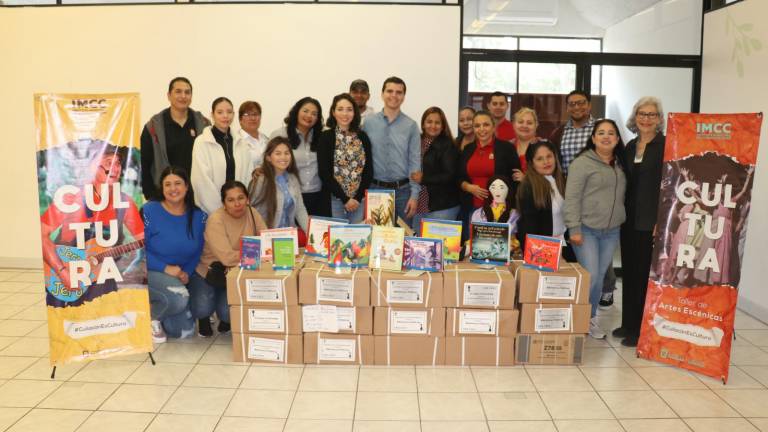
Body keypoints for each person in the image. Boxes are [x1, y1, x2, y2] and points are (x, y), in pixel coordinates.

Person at [40, 145, 144, 308]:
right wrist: (63, 272)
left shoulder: (125, 203)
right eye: (109, 161)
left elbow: (144, 240)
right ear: (92, 165)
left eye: (118, 162)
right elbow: (41, 235)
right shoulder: (71, 198)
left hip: (101, 275)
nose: (115, 168)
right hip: (63, 274)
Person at [564, 119, 626, 339]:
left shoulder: (621, 163)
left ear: (618, 139)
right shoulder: (581, 163)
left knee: (600, 277)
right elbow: (571, 198)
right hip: (586, 229)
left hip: (611, 231)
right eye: (601, 133)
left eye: (611, 133)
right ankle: (575, 319)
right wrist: (574, 228)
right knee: (589, 276)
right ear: (593, 138)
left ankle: (588, 320)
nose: (606, 137)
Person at [612, 97, 666, 347]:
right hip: (628, 218)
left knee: (643, 274)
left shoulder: (665, 145)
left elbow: (671, 186)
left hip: (650, 219)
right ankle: (628, 323)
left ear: (659, 118)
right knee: (630, 272)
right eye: (642, 114)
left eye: (652, 114)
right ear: (635, 117)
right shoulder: (630, 146)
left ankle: (641, 329)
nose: (646, 118)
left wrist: (662, 219)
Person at [192, 181, 267, 337]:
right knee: (202, 308)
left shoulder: (253, 213)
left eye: (241, 198)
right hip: (210, 270)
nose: (237, 204)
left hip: (237, 271)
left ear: (247, 199)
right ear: (224, 203)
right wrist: (255, 252)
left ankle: (224, 317)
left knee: (227, 314)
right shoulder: (216, 219)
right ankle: (204, 318)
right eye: (231, 200)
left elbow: (266, 241)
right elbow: (226, 257)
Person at [142, 166, 204, 343]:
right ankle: (148, 318)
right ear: (162, 188)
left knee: (183, 332)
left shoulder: (198, 216)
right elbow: (138, 250)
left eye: (178, 183)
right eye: (167, 184)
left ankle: (160, 304)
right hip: (149, 270)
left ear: (186, 187)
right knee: (178, 299)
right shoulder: (149, 211)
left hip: (177, 275)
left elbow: (198, 249)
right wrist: (165, 268)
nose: (173, 189)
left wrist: (186, 273)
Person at [363, 76, 421, 225]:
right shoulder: (368, 123)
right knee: (376, 239)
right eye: (389, 91)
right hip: (375, 190)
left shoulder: (411, 126)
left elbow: (415, 162)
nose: (394, 95)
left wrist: (414, 196)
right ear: (382, 94)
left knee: (403, 238)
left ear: (403, 97)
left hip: (403, 192)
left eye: (399, 92)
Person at [140, 77, 210, 200]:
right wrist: (151, 195)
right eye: (178, 91)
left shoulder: (203, 124)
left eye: (187, 92)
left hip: (197, 195)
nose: (183, 96)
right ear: (169, 95)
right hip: (166, 195)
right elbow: (145, 164)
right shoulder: (153, 127)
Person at [191, 97, 252, 216]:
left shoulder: (241, 142)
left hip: (239, 210)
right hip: (211, 212)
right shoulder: (201, 142)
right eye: (220, 112)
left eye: (229, 112)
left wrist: (239, 204)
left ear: (233, 115)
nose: (225, 116)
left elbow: (247, 177)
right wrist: (220, 210)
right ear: (212, 115)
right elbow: (201, 181)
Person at [317, 93, 373, 223]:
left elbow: (368, 171)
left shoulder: (362, 137)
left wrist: (357, 199)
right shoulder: (326, 137)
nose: (345, 114)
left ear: (354, 112)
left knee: (357, 241)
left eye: (349, 109)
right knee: (337, 240)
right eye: (340, 109)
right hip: (335, 199)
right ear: (333, 112)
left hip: (358, 202)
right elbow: (324, 173)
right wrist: (345, 199)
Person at [515, 141, 575, 262]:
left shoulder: (562, 181)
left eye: (549, 156)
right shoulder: (529, 186)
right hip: (542, 248)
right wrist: (546, 254)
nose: (546, 162)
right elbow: (529, 227)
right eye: (539, 159)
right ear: (532, 164)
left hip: (564, 244)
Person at [270, 97, 328, 217]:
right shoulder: (280, 134)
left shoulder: (323, 136)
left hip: (318, 195)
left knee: (316, 234)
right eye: (305, 111)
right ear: (296, 111)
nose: (309, 116)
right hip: (291, 195)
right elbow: (267, 162)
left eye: (314, 114)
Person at [458, 110, 522, 218]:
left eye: (486, 125)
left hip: (500, 209)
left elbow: (515, 180)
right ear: (473, 129)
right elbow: (458, 177)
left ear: (493, 127)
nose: (482, 129)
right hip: (471, 208)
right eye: (477, 126)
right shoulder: (467, 149)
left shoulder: (507, 148)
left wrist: (511, 207)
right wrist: (468, 187)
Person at [411, 107, 460, 231]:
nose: (433, 125)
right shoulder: (415, 141)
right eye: (429, 122)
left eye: (437, 122)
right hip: (418, 204)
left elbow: (450, 175)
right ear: (423, 124)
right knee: (418, 247)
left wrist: (424, 178)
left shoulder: (448, 145)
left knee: (440, 248)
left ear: (443, 126)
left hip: (442, 206)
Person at [249, 137, 309, 231]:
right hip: (267, 236)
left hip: (289, 236)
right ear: (268, 158)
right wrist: (265, 237)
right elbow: (253, 213)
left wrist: (310, 234)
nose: (283, 157)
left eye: (287, 153)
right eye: (278, 153)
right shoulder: (261, 180)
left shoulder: (293, 179)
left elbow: (300, 210)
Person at [548, 90, 596, 175]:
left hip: (596, 185)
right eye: (572, 104)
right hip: (567, 185)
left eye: (581, 103)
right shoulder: (558, 133)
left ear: (589, 105)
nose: (576, 107)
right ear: (567, 108)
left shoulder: (601, 128)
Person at [509, 107, 542, 182]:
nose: (524, 126)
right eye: (520, 122)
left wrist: (526, 180)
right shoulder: (508, 146)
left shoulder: (543, 146)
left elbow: (549, 178)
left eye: (529, 123)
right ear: (514, 124)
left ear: (536, 125)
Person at [237, 100, 268, 170]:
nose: (253, 118)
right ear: (240, 119)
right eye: (247, 115)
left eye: (255, 114)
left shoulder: (266, 139)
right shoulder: (236, 141)